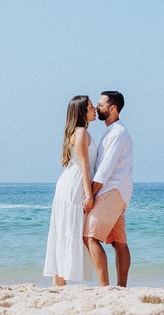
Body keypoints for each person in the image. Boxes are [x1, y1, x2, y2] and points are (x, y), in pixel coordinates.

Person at [44, 95, 97, 286]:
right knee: (67, 230)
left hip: (71, 183)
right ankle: (59, 282)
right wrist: (89, 195)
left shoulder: (79, 132)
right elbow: (85, 166)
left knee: (65, 231)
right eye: (91, 107)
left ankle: (58, 283)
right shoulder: (81, 132)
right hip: (74, 185)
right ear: (82, 111)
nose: (95, 109)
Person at [85, 91, 134, 287]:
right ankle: (121, 287)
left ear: (112, 108)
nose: (97, 108)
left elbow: (105, 170)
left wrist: (90, 194)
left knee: (89, 236)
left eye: (101, 105)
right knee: (118, 241)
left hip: (111, 191)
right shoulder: (113, 132)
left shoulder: (117, 134)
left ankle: (104, 285)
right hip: (119, 191)